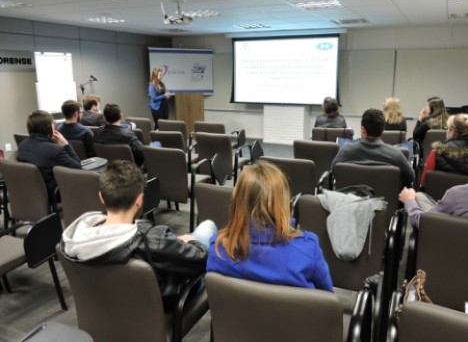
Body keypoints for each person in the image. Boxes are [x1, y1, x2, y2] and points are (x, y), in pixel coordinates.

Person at [61, 160, 217, 308]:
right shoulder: (154, 240)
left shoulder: (74, 239)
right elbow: (203, 260)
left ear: (101, 197)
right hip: (164, 303)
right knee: (207, 227)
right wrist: (190, 242)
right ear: (140, 200)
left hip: (108, 307)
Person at [206, 160, 333, 292]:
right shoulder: (308, 250)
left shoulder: (218, 249)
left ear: (238, 201)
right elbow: (327, 298)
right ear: (283, 202)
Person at [331, 108, 415, 186]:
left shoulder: (346, 150)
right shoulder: (395, 154)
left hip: (352, 200)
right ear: (382, 130)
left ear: (363, 130)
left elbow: (334, 172)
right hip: (386, 201)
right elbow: (410, 177)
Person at [17, 110, 81, 199]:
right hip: (53, 194)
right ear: (48, 126)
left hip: (30, 192)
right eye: (53, 123)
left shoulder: (23, 144)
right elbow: (78, 168)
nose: (55, 125)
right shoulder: (55, 150)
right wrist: (66, 144)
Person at [420, 114, 468, 187]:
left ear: (453, 131)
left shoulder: (436, 153)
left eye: (448, 129)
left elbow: (423, 183)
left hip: (439, 197)